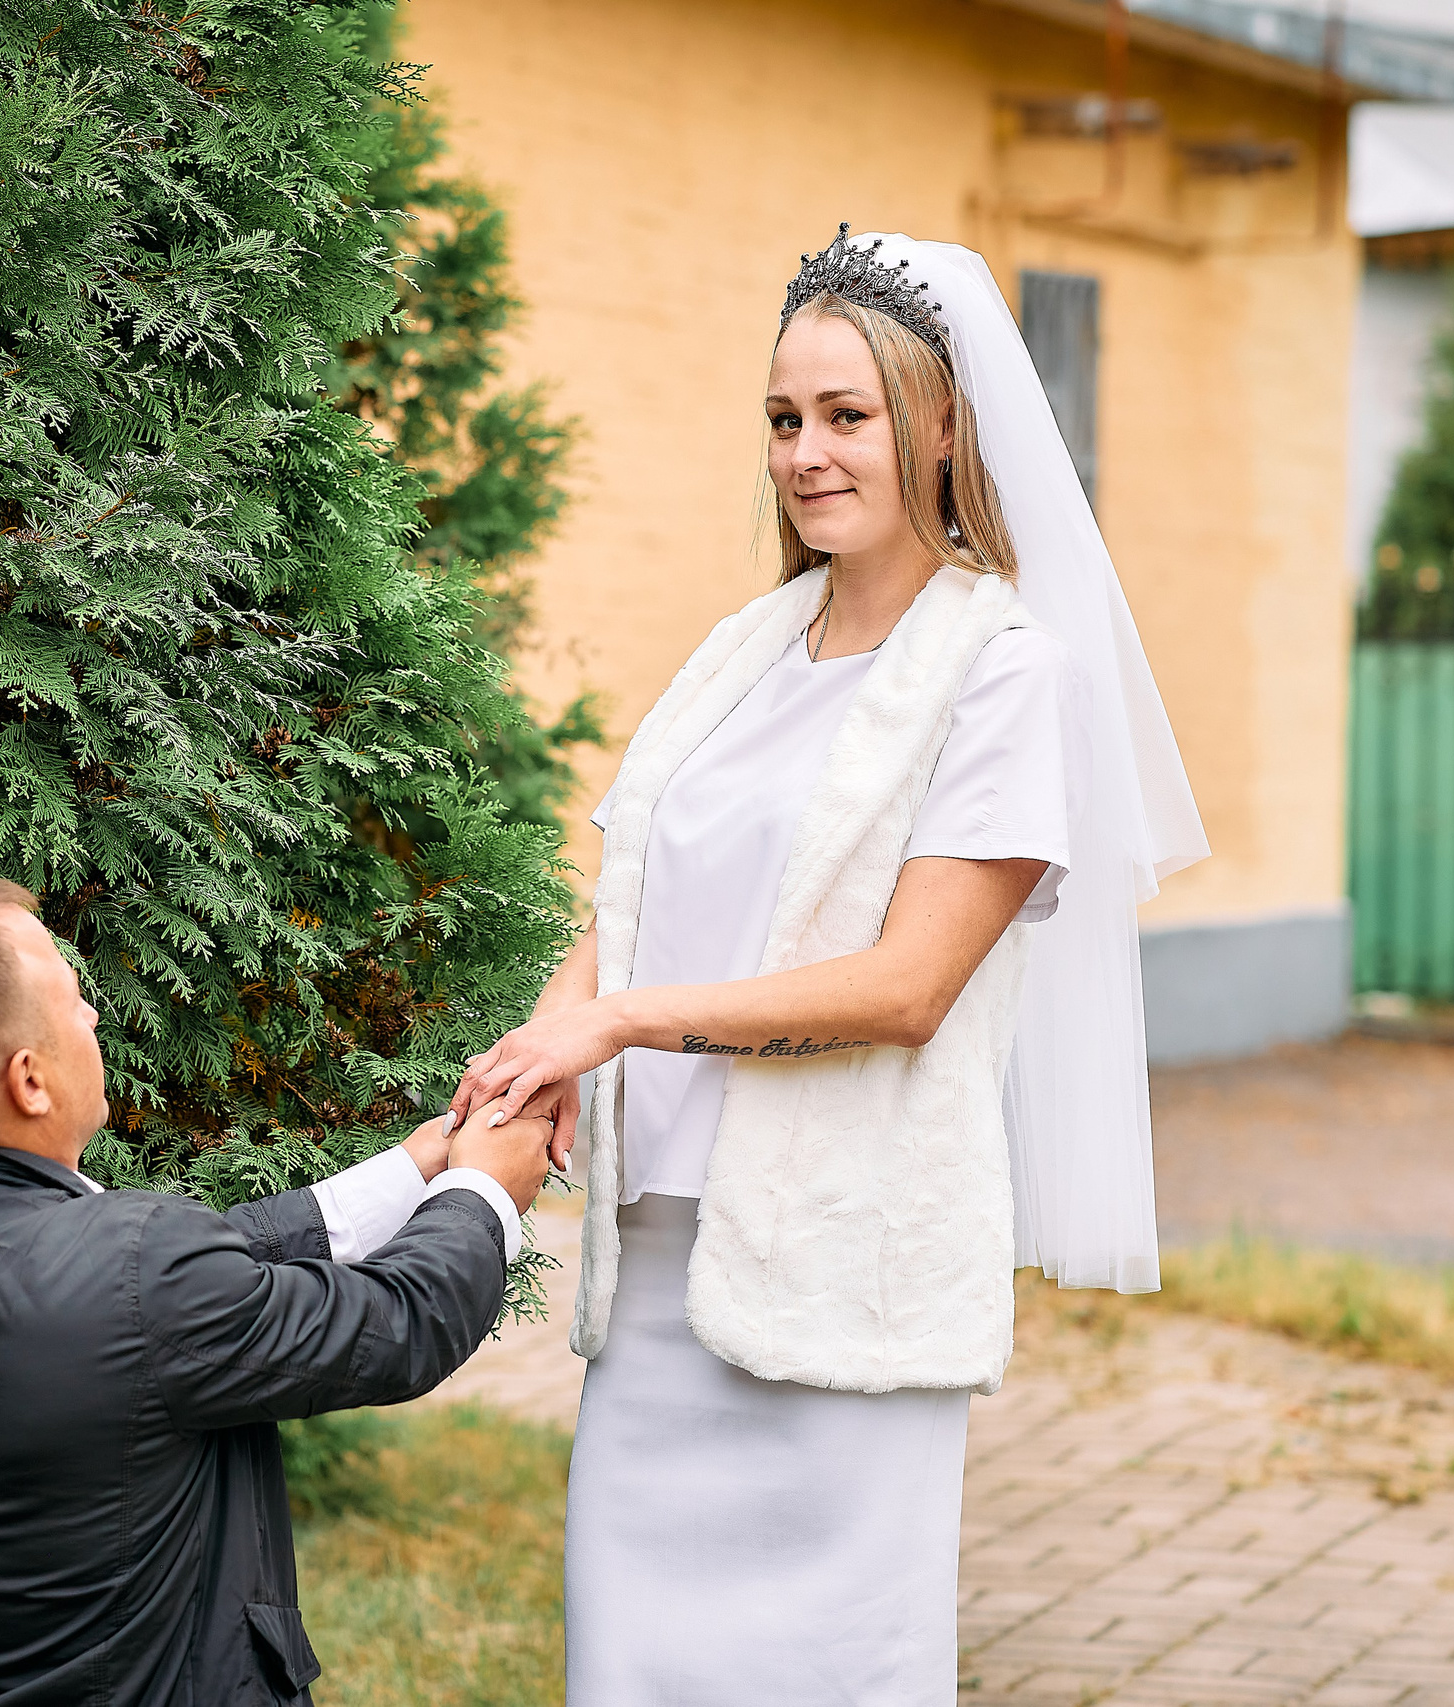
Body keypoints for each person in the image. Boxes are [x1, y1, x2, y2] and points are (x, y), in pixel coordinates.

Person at [446, 228, 1209, 1704]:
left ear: (936, 423)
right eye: (785, 419)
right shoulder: (742, 647)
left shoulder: (1005, 668)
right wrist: (515, 1089)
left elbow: (908, 984)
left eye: (846, 416)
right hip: (664, 1264)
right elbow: (625, 900)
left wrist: (621, 1025)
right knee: (632, 1668)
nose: (807, 452)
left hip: (844, 1267)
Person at [0, 873, 554, 1707]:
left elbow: (164, 1294)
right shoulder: (138, 1280)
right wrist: (483, 1190)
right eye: (74, 1001)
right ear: (29, 1080)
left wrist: (411, 1171)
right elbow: (403, 1323)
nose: (95, 1018)